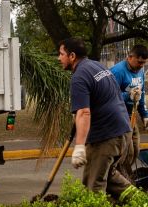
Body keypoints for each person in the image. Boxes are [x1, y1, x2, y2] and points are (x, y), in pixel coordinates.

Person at [58, 37, 138, 201]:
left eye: (61, 54)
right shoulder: (97, 66)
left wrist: (79, 146)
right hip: (123, 131)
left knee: (93, 186)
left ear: (72, 56)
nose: (59, 58)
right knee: (109, 177)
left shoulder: (79, 77)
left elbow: (84, 113)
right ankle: (141, 200)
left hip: (106, 137)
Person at [110, 45, 148, 178]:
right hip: (118, 116)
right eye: (139, 62)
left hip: (132, 114)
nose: (141, 66)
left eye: (144, 63)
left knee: (136, 149)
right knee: (128, 151)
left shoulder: (140, 70)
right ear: (129, 57)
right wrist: (127, 95)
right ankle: (122, 177)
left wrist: (144, 114)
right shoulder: (117, 71)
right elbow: (108, 96)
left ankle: (124, 175)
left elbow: (141, 93)